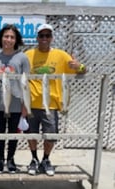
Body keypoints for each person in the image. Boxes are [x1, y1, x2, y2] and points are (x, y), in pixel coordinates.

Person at [24, 23, 87, 176]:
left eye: (47, 35)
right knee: (31, 133)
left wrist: (80, 66)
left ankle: (46, 159)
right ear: (37, 38)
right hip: (31, 103)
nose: (44, 38)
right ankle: (34, 159)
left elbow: (82, 70)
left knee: (51, 134)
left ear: (51, 38)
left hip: (51, 104)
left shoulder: (61, 55)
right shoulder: (28, 55)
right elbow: (19, 74)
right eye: (41, 36)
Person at [0, 24, 30, 173]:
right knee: (0, 133)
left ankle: (11, 160)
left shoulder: (22, 58)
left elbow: (27, 83)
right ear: (1, 38)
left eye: (12, 37)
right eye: (6, 36)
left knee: (13, 133)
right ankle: (0, 160)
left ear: (16, 39)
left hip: (16, 103)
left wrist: (25, 105)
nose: (9, 39)